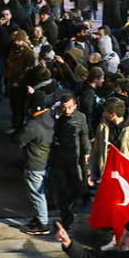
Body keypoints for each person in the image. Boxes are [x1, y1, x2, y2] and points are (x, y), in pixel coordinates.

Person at [48, 94, 90, 231]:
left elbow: (84, 136)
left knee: (76, 186)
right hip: (59, 159)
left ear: (75, 106)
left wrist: (87, 152)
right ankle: (66, 219)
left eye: (70, 107)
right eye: (64, 107)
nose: (67, 111)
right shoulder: (54, 117)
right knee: (62, 192)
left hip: (74, 159)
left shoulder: (80, 118)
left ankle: (82, 197)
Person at [16, 96, 54, 235]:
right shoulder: (51, 119)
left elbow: (20, 141)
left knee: (37, 194)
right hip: (47, 161)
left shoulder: (32, 125)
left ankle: (42, 223)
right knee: (41, 192)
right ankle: (39, 217)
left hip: (35, 164)